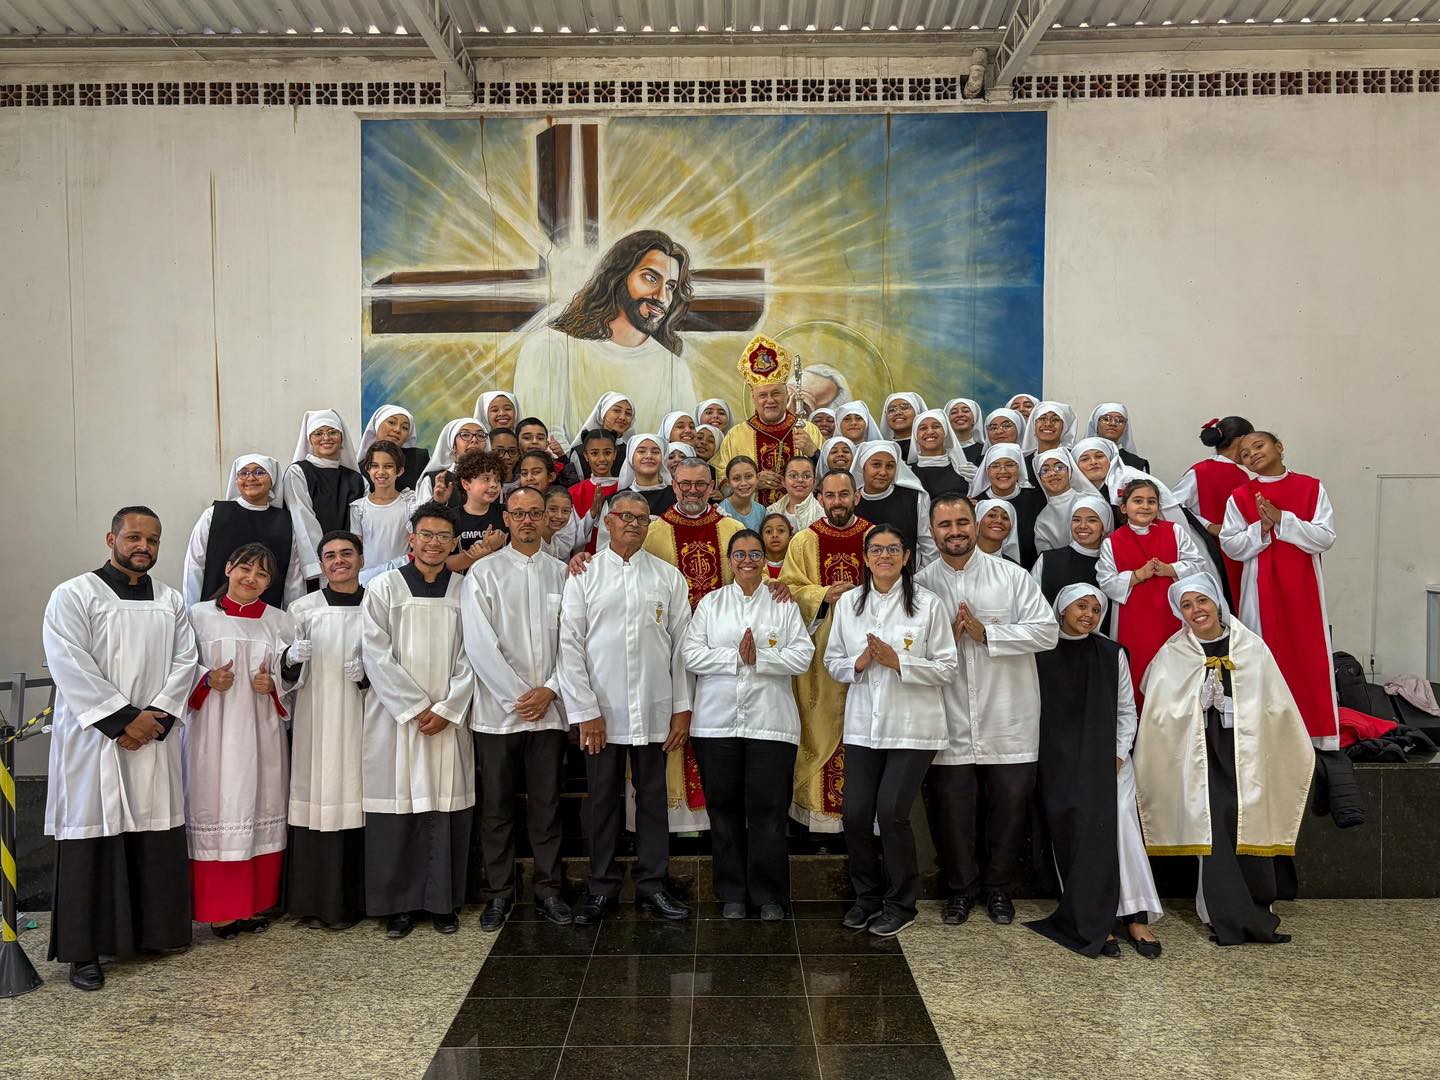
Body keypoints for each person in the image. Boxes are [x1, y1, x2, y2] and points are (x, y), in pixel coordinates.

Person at [43, 507, 199, 991]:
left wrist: (155, 719)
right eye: (134, 537)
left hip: (152, 736)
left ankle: (151, 934)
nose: (143, 547)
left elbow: (186, 661)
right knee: (94, 832)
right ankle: (84, 952)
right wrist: (124, 720)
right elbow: (69, 663)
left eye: (152, 540)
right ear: (111, 539)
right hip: (95, 740)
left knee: (152, 829)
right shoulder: (75, 594)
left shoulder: (170, 600)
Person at [1134, 574, 1313, 945]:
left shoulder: (1250, 647)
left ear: (1216, 602)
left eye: (1202, 601)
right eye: (1187, 605)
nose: (1196, 610)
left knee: (1247, 822)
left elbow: (1274, 704)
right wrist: (1196, 705)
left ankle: (1257, 909)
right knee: (1212, 829)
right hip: (1199, 759)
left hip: (1246, 754)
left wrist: (1232, 707)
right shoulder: (1174, 653)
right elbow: (1159, 707)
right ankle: (1221, 915)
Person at [915, 494, 1057, 927]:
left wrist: (987, 633)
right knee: (952, 810)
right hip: (949, 714)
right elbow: (910, 649)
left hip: (1008, 715)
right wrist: (942, 638)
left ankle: (998, 889)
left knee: (1010, 806)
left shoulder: (1011, 577)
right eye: (945, 525)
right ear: (932, 531)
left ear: (975, 524)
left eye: (962, 522)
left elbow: (1047, 632)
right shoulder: (920, 585)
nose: (954, 531)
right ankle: (960, 890)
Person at [558, 491, 693, 924]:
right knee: (602, 800)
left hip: (654, 707)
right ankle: (601, 887)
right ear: (608, 521)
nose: (633, 524)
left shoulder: (668, 577)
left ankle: (653, 885)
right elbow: (569, 645)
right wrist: (585, 711)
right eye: (625, 516)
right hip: (603, 712)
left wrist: (682, 708)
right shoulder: (585, 575)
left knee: (653, 798)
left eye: (641, 518)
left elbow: (682, 649)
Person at [828, 524, 957, 937]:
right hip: (863, 726)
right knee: (855, 814)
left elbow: (947, 667)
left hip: (913, 727)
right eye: (876, 549)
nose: (884, 556)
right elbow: (832, 662)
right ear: (865, 558)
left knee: (891, 812)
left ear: (906, 557)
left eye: (893, 549)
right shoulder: (849, 604)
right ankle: (867, 897)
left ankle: (901, 903)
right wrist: (860, 662)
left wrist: (898, 662)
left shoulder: (928, 604)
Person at [682, 529, 814, 920]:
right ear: (729, 560)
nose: (747, 561)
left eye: (755, 554)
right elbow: (691, 654)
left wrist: (761, 659)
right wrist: (736, 658)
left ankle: (769, 895)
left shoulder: (782, 603)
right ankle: (732, 893)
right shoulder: (711, 603)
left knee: (768, 811)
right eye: (739, 554)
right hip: (716, 725)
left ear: (764, 560)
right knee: (723, 809)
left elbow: (802, 656)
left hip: (770, 725)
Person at [1025, 584, 1162, 958]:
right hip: (1059, 764)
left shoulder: (1111, 653)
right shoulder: (1039, 651)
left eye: (1095, 609)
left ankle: (1135, 915)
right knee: (1078, 830)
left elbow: (1126, 711)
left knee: (1121, 824)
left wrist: (1116, 756)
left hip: (1108, 762)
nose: (1088, 615)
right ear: (1062, 609)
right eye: (1080, 607)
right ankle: (1092, 918)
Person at [361, 502, 476, 938]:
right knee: (401, 806)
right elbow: (374, 653)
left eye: (443, 536)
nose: (434, 543)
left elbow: (474, 653)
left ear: (454, 543)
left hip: (448, 718)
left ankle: (443, 903)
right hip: (398, 720)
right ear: (411, 539)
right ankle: (401, 905)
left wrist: (447, 708)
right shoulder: (384, 587)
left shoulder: (464, 589)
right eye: (426, 535)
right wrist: (414, 706)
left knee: (444, 803)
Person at [461, 486, 572, 932]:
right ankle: (499, 893)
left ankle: (549, 889)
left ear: (547, 518)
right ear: (505, 518)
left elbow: (574, 641)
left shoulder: (563, 573)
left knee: (547, 805)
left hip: (550, 710)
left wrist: (551, 689)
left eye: (535, 513)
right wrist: (518, 697)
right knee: (496, 808)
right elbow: (478, 643)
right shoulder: (483, 573)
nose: (527, 520)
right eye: (519, 513)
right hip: (496, 712)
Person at [184, 542, 296, 939]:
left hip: (260, 733)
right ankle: (219, 910)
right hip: (211, 733)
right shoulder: (197, 616)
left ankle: (251, 905)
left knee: (259, 806)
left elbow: (295, 672)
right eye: (245, 568)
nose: (252, 578)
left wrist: (276, 684)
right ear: (228, 568)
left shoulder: (280, 621)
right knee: (215, 809)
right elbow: (177, 666)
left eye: (262, 574)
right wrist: (205, 678)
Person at [1221, 431, 1339, 749]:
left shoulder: (1311, 487)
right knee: (1260, 656)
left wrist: (1282, 519)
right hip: (1258, 589)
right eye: (1245, 454)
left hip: (1303, 586)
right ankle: (1263, 736)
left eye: (1258, 446)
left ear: (1279, 447)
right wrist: (1261, 527)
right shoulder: (1240, 496)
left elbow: (1325, 537)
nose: (1252, 455)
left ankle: (1314, 735)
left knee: (1306, 653)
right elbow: (1230, 545)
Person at [514, 230, 697, 435]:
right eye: (650, 278)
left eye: (670, 286)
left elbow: (682, 443)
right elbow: (543, 438)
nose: (662, 297)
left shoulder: (675, 370)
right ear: (618, 277)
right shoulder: (550, 348)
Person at [280, 531, 370, 930]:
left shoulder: (377, 605)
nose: (339, 561)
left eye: (347, 553)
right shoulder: (303, 608)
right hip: (316, 720)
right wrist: (290, 659)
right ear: (321, 565)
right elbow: (281, 670)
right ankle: (316, 900)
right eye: (330, 556)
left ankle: (359, 900)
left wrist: (367, 676)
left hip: (363, 718)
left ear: (361, 559)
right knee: (318, 796)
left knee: (361, 796)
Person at [779, 471, 871, 832]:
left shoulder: (875, 537)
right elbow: (787, 589)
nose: (837, 502)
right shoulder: (804, 540)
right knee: (817, 726)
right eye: (830, 496)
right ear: (820, 498)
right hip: (820, 653)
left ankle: (865, 819)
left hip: (869, 651)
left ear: (856, 496)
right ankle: (819, 821)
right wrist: (822, 595)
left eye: (843, 494)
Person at [1098, 478, 1206, 700]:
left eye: (1151, 501)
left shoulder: (1174, 531)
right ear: (1123, 507)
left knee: (1174, 669)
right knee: (1137, 668)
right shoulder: (1112, 541)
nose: (1145, 506)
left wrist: (1169, 569)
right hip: (1133, 618)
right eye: (1138, 501)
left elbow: (1197, 563)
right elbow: (1106, 581)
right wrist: (1138, 575)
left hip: (1171, 613)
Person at [710, 335, 822, 507]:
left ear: (787, 395)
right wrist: (751, 482)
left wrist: (814, 454)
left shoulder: (808, 430)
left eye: (776, 393)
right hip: (751, 516)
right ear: (754, 398)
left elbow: (829, 480)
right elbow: (720, 483)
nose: (770, 400)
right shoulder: (736, 436)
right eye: (763, 395)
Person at [183, 454, 306, 609]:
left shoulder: (286, 523)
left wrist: (292, 616)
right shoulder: (214, 515)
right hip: (214, 613)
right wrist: (191, 611)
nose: (251, 478)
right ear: (236, 480)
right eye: (244, 473)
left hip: (265, 616)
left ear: (272, 479)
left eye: (259, 472)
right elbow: (194, 566)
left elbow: (293, 578)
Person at [1173, 415, 1253, 607]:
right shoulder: (1201, 471)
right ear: (1241, 440)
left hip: (1239, 549)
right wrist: (1208, 526)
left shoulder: (1243, 475)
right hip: (1209, 551)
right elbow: (1174, 505)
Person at [284, 410, 366, 588]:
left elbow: (361, 525)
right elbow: (302, 520)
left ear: (342, 437)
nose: (326, 438)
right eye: (318, 433)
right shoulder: (298, 472)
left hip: (349, 566)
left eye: (332, 432)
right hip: (312, 564)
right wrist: (323, 563)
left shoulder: (357, 480)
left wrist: (349, 560)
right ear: (309, 439)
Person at [853, 440, 938, 568]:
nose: (883, 472)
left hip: (909, 577)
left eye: (890, 466)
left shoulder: (914, 498)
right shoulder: (851, 501)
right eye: (876, 465)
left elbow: (929, 545)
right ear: (863, 466)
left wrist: (922, 576)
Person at [968, 444, 1046, 567]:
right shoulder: (975, 503)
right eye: (995, 466)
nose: (1003, 471)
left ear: (1019, 468)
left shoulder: (1037, 499)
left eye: (1010, 465)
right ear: (987, 470)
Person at [1031, 495, 1113, 605]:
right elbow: (1030, 602)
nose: (1082, 526)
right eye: (1076, 520)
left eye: (1092, 520)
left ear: (1104, 527)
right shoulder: (1048, 560)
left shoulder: (1111, 564)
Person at [349, 439, 417, 572]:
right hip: (367, 577)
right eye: (375, 466)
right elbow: (356, 548)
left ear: (400, 470)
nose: (381, 472)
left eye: (388, 466)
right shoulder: (358, 508)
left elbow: (417, 543)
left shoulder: (409, 503)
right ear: (367, 469)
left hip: (400, 575)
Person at [446, 449, 508, 574]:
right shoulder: (450, 517)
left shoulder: (506, 514)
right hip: (462, 583)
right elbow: (444, 563)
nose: (494, 485)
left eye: (497, 480)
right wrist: (485, 549)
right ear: (466, 483)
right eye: (486, 479)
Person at [1032, 447, 1101, 555]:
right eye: (1045, 470)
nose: (1053, 473)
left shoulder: (1093, 501)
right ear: (1040, 478)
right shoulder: (1042, 520)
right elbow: (1047, 559)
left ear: (1069, 471)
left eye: (1059, 467)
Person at [567, 428, 622, 554]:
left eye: (607, 452)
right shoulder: (574, 493)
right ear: (586, 456)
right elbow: (569, 539)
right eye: (594, 453)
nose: (601, 459)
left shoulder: (624, 488)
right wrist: (592, 513)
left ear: (615, 454)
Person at [563, 392, 635, 480]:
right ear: (603, 414)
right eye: (616, 410)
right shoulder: (579, 453)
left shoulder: (633, 453)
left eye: (628, 413)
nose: (622, 417)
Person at [415, 417, 485, 505]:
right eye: (465, 435)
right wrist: (438, 502)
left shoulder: (494, 479)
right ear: (453, 446)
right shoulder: (433, 481)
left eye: (480, 436)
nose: (474, 440)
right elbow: (422, 514)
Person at [358, 405, 428, 493]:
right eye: (391, 422)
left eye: (404, 427)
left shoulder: (419, 459)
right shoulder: (361, 468)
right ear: (377, 424)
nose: (397, 430)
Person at [909, 408, 975, 498]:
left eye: (936, 426)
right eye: (923, 428)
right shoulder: (908, 473)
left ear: (945, 431)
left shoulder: (964, 472)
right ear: (916, 435)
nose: (930, 432)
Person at [1020, 402, 1077, 487]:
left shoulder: (1074, 459)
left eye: (1055, 420)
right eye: (1042, 418)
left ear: (1065, 426)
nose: (1048, 424)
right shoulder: (1023, 464)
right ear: (1033, 424)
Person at [1088, 403, 1149, 472]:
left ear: (1125, 427)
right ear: (1096, 423)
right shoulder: (1082, 459)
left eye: (1120, 421)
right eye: (1106, 419)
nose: (1113, 423)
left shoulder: (1137, 464)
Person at [717, 455, 766, 531]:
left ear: (757, 478)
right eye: (736, 478)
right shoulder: (721, 511)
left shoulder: (761, 511)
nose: (743, 483)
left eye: (748, 476)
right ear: (728, 482)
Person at [778, 454, 823, 532]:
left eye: (806, 476)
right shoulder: (772, 511)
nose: (800, 480)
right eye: (793, 475)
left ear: (814, 482)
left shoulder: (821, 515)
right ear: (783, 481)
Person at [880, 391, 927, 458]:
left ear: (917, 413)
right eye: (891, 410)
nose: (898, 413)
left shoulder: (930, 446)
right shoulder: (882, 451)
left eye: (904, 408)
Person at [974, 498, 1021, 563]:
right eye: (992, 515)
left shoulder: (1014, 568)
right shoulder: (960, 557)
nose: (999, 521)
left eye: (1005, 518)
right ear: (978, 521)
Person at [541, 484, 582, 559]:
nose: (559, 516)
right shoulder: (531, 534)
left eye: (565, 511)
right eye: (553, 509)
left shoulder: (557, 538)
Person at [944, 397, 985, 467]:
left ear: (974, 418)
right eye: (954, 412)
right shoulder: (941, 452)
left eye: (966, 411)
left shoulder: (984, 451)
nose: (960, 415)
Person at [761, 513, 794, 577]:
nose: (775, 535)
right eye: (768, 531)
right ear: (761, 538)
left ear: (790, 538)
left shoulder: (797, 565)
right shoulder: (756, 566)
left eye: (781, 530)